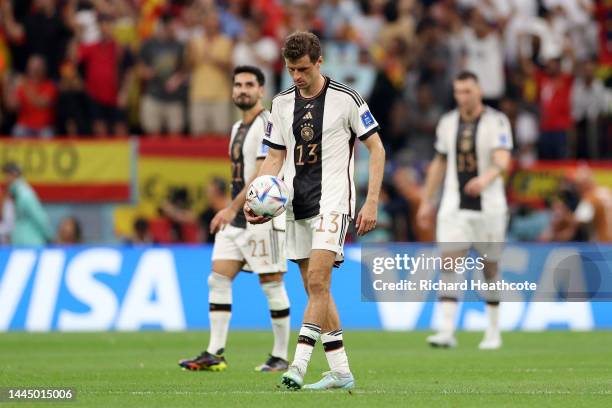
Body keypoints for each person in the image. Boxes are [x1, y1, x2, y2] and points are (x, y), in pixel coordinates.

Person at [246, 32, 385, 390]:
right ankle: (340, 371)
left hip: (333, 202)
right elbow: (275, 156)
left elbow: (377, 149)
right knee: (315, 291)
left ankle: (298, 365)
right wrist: (256, 196)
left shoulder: (347, 98)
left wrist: (371, 202)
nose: (296, 76)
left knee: (320, 282)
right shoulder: (280, 103)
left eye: (303, 69)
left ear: (319, 61)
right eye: (291, 69)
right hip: (295, 204)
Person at [179, 66, 290, 373]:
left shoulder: (267, 124)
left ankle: (280, 355)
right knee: (218, 279)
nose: (242, 89)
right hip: (237, 220)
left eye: (249, 85)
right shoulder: (236, 128)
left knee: (271, 283)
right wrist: (232, 211)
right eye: (238, 84)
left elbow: (260, 173)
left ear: (261, 90)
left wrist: (230, 208)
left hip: (262, 218)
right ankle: (215, 352)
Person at [417, 71, 513, 350]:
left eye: (468, 91)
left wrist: (485, 178)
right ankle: (446, 330)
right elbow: (439, 162)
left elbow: (503, 158)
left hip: (490, 208)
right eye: (458, 91)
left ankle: (493, 331)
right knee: (449, 263)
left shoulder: (497, 121)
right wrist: (427, 200)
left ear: (479, 91)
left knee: (489, 267)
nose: (463, 97)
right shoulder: (447, 123)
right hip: (453, 206)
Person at [2, 162, 53, 246]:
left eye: (8, 175)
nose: (5, 179)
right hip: (20, 245)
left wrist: (50, 237)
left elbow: (40, 218)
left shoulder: (25, 194)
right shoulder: (14, 193)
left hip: (31, 245)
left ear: (14, 175)